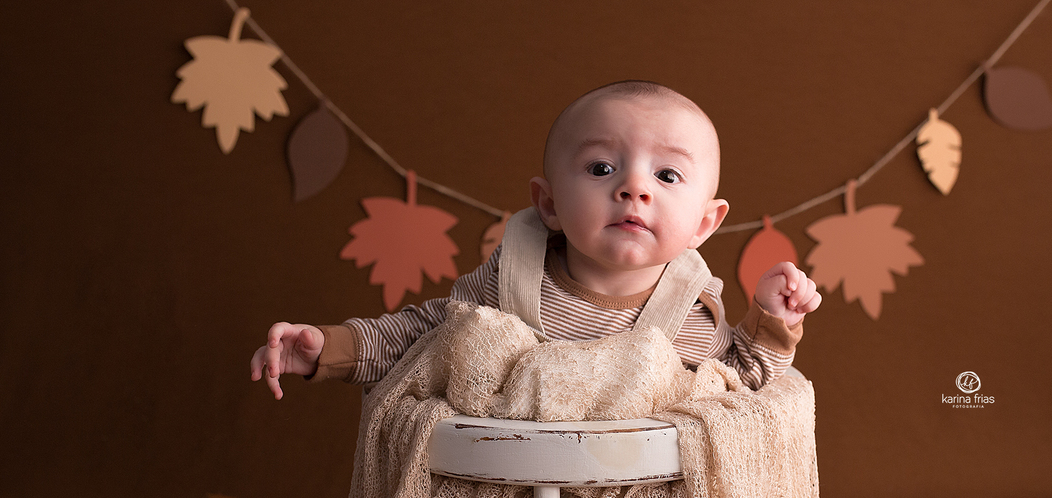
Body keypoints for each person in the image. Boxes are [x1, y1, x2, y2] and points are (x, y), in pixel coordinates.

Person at [250, 80, 821, 397]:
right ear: (547, 203)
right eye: (601, 168)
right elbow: (427, 338)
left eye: (666, 176)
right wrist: (329, 348)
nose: (633, 188)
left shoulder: (688, 312)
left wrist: (771, 318)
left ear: (704, 224)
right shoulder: (514, 277)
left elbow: (743, 384)